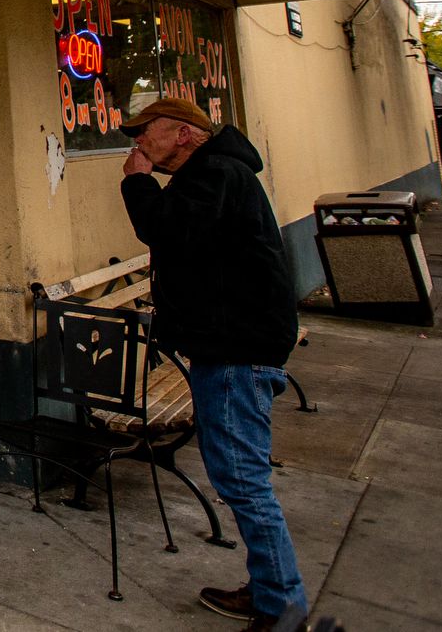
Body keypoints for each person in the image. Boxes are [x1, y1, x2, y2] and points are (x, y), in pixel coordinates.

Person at [119, 97, 305, 630]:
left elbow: (167, 230)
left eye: (145, 132)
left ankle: (282, 608)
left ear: (183, 134)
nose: (137, 142)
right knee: (239, 474)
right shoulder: (217, 173)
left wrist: (136, 182)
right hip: (231, 344)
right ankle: (271, 588)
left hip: (235, 350)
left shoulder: (216, 174)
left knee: (243, 479)